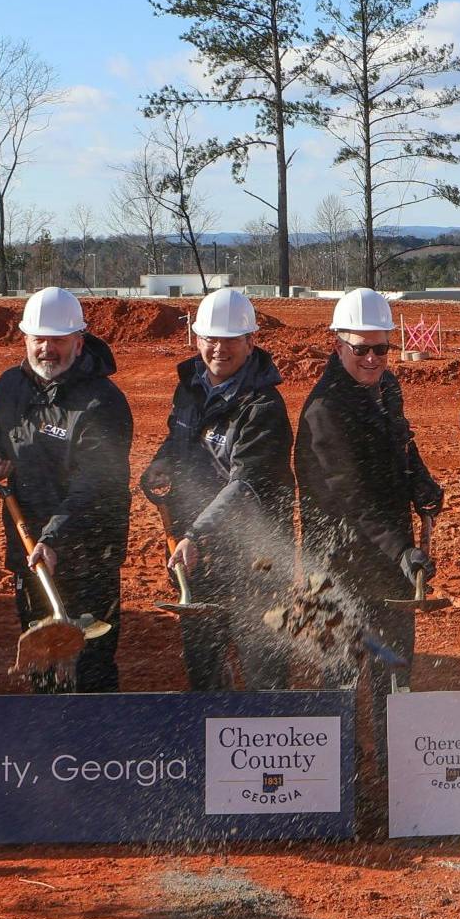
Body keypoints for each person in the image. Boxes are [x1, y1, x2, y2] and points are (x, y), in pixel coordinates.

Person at [297, 287, 444, 802]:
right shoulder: (325, 411)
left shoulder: (386, 390)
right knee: (338, 675)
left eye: (380, 348)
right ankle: (332, 792)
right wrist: (402, 550)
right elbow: (350, 500)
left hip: (384, 561)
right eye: (360, 349)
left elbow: (401, 444)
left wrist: (420, 480)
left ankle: (394, 784)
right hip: (333, 564)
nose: (371, 359)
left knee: (394, 672)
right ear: (337, 346)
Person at [142, 287, 293, 690]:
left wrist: (194, 534)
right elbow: (180, 439)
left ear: (251, 341)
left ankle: (271, 745)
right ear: (197, 338)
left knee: (263, 666)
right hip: (202, 558)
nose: (218, 348)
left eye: (230, 339)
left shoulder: (263, 408)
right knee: (204, 664)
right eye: (210, 338)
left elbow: (245, 486)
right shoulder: (190, 388)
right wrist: (160, 462)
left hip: (256, 560)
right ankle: (211, 741)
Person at [0, 286, 132, 693]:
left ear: (79, 342)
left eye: (58, 340)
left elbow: (96, 483)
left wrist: (55, 537)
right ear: (25, 339)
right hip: (29, 549)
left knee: (91, 667)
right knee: (43, 663)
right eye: (39, 339)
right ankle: (51, 747)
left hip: (88, 556)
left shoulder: (102, 402)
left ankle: (96, 754)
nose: (47, 348)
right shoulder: (11, 384)